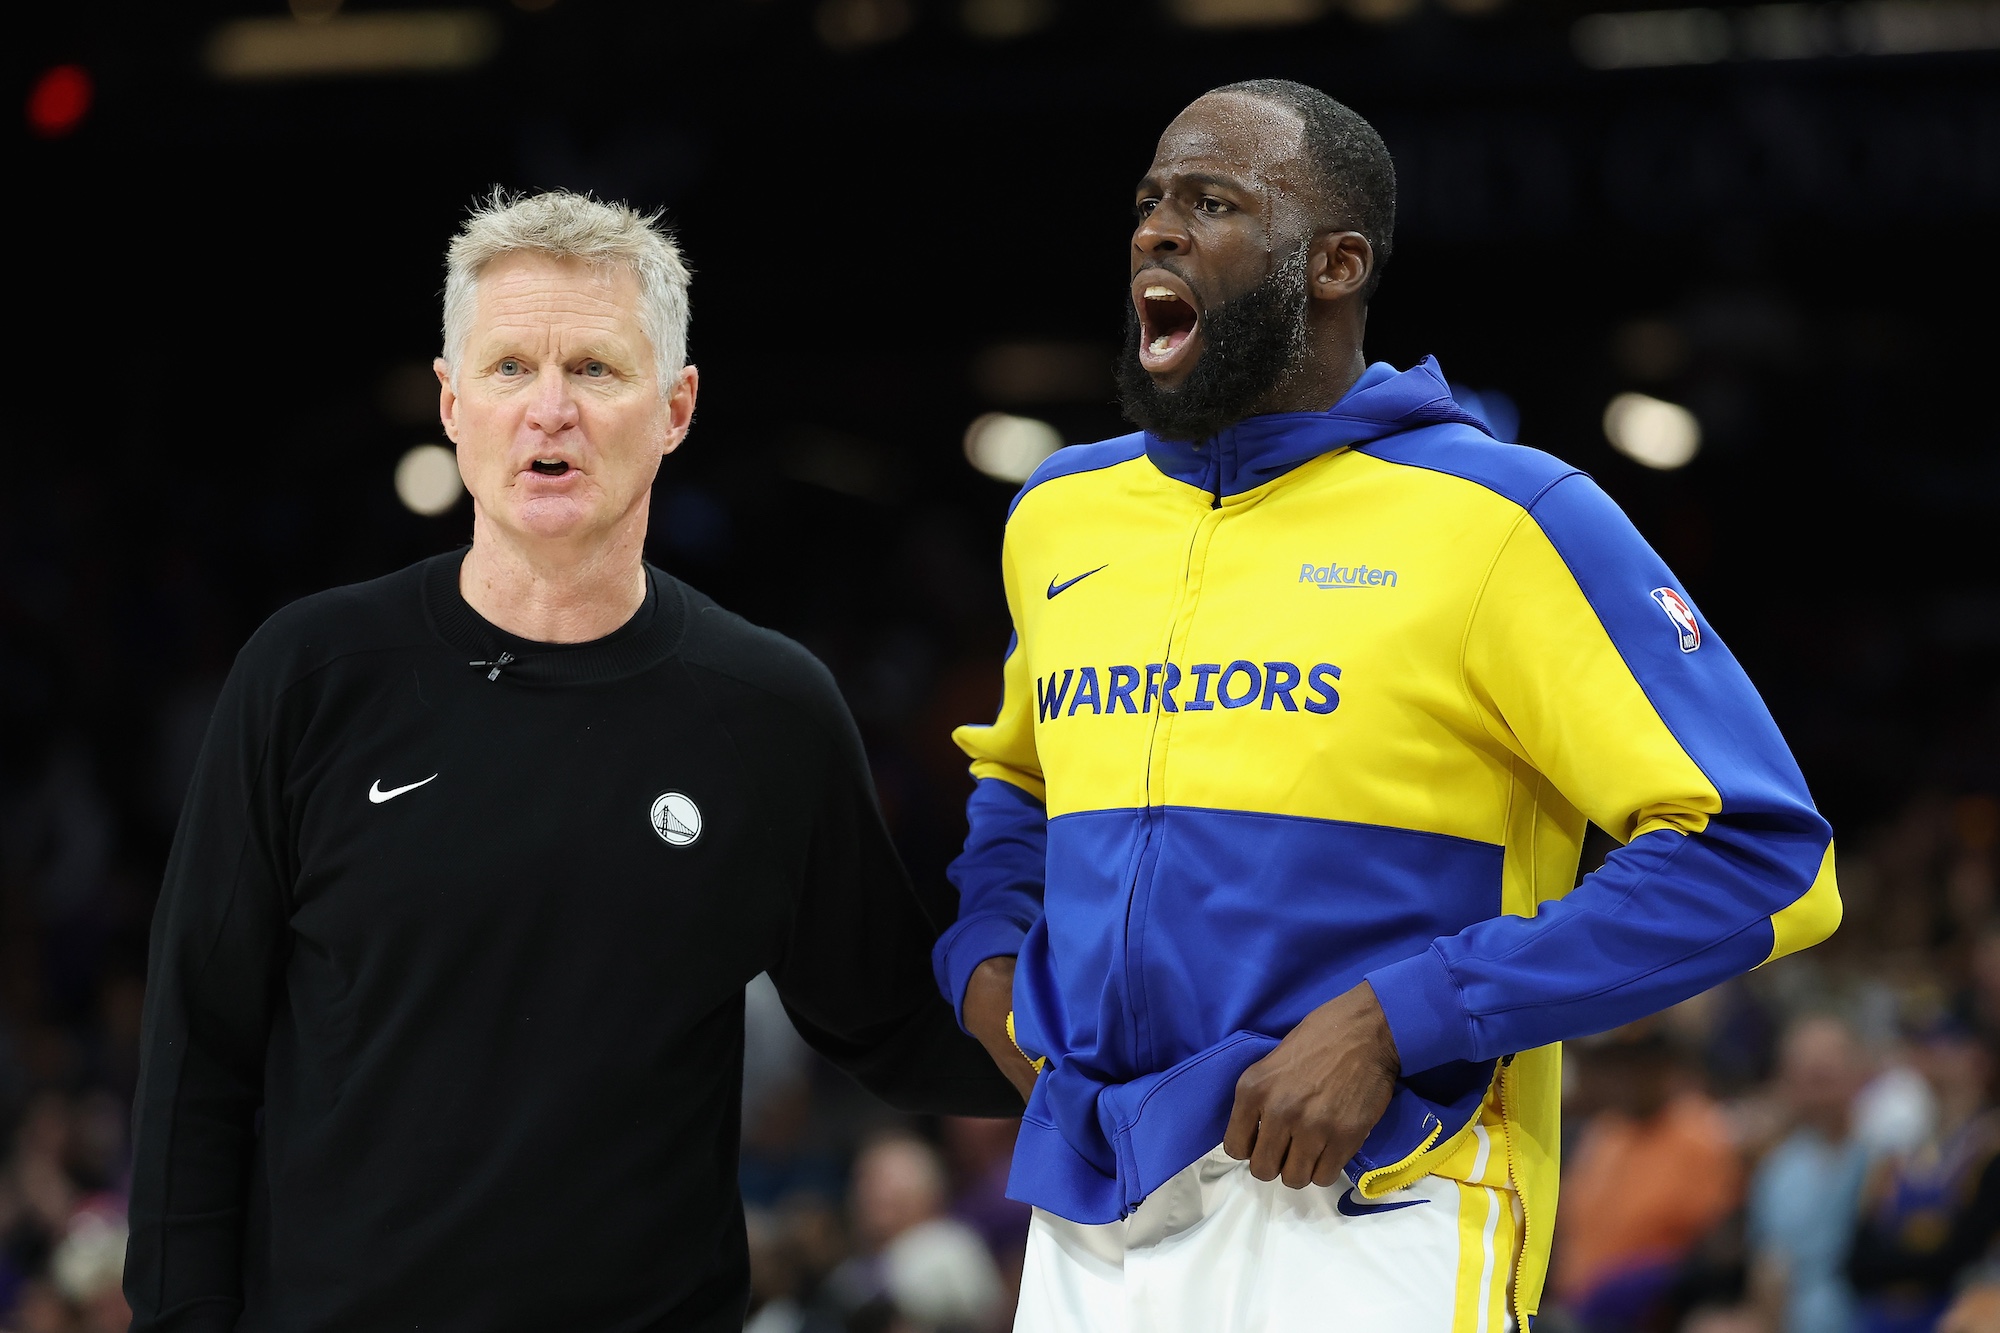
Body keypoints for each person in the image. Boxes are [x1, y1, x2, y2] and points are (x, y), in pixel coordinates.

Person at [934, 80, 1842, 1331]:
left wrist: (1394, 1019)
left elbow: (1760, 858)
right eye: (1148, 200)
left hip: (1371, 1198)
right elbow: (1020, 781)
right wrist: (985, 963)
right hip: (1087, 1209)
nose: (1156, 229)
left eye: (1212, 203)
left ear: (1335, 263)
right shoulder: (1059, 514)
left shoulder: (1505, 517)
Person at [122, 190, 1016, 1332]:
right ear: (452, 402)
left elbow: (895, 1019)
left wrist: (1157, 1035)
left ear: (676, 407)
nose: (550, 410)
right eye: (509, 368)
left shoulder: (769, 710)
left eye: (594, 368)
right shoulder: (308, 675)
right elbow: (196, 1057)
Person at [1744, 1015, 1875, 1333]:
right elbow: (1770, 1271)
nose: (1818, 1069)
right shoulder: (1778, 1170)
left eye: (1831, 1059)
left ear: (1860, 1068)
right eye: (1804, 1064)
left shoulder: (1888, 1148)